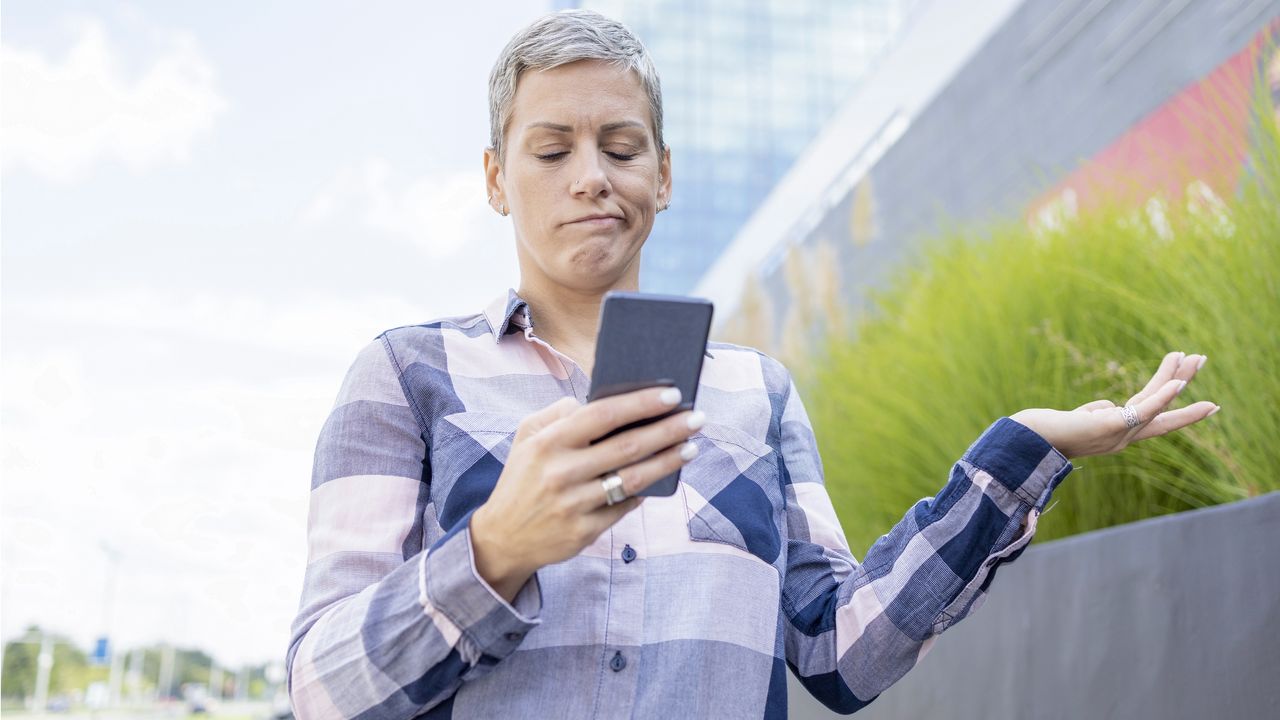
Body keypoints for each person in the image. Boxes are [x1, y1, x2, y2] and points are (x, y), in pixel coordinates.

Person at [284, 9, 1218, 719]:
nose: (591, 177)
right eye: (550, 149)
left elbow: (843, 653)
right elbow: (323, 687)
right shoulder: (407, 376)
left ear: (664, 175)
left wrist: (1018, 453)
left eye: (621, 147)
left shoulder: (755, 393)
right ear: (496, 178)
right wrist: (497, 549)